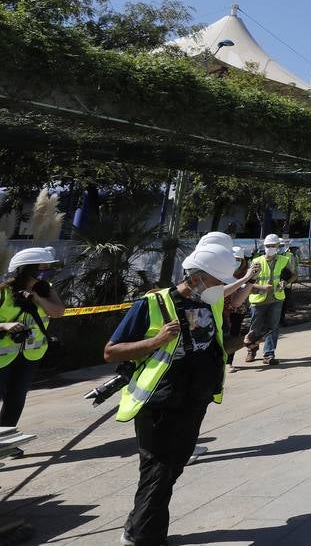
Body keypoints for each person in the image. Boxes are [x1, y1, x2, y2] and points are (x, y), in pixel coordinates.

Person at [106, 232, 239, 546]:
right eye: (216, 281)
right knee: (159, 472)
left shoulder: (211, 304)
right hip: (161, 404)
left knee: (169, 471)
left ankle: (135, 528)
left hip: (195, 400)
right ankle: (144, 538)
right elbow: (111, 351)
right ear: (195, 278)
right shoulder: (153, 303)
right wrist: (155, 341)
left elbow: (211, 346)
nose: (221, 287)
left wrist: (242, 342)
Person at [0, 247, 66, 431]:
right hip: (2, 356)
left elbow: (58, 312)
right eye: (43, 267)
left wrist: (37, 297)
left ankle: (5, 441)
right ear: (27, 269)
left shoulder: (46, 290)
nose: (47, 271)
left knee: (16, 397)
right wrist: (5, 326)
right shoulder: (3, 292)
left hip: (31, 355)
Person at [242, 234, 294, 366]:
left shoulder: (284, 260)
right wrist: (262, 287)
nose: (270, 248)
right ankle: (251, 350)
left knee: (273, 327)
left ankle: (269, 354)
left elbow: (292, 275)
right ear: (264, 246)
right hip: (258, 299)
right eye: (268, 246)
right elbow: (249, 282)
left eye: (273, 246)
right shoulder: (257, 261)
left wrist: (285, 282)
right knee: (255, 327)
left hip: (276, 298)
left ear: (278, 247)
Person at [225, 247, 258, 372]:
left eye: (239, 259)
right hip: (223, 309)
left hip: (237, 309)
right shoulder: (221, 272)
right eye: (234, 259)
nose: (236, 262)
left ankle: (229, 362)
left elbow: (250, 286)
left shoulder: (246, 272)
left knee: (234, 333)